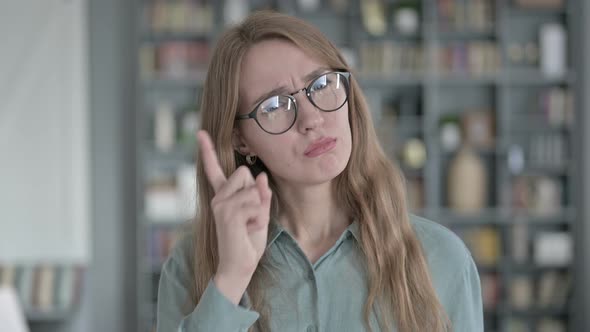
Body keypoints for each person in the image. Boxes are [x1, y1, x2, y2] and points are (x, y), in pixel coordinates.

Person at [156, 11, 483, 332]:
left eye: (323, 84)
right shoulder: (190, 266)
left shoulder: (442, 258)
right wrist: (230, 281)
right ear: (241, 140)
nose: (311, 119)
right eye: (274, 106)